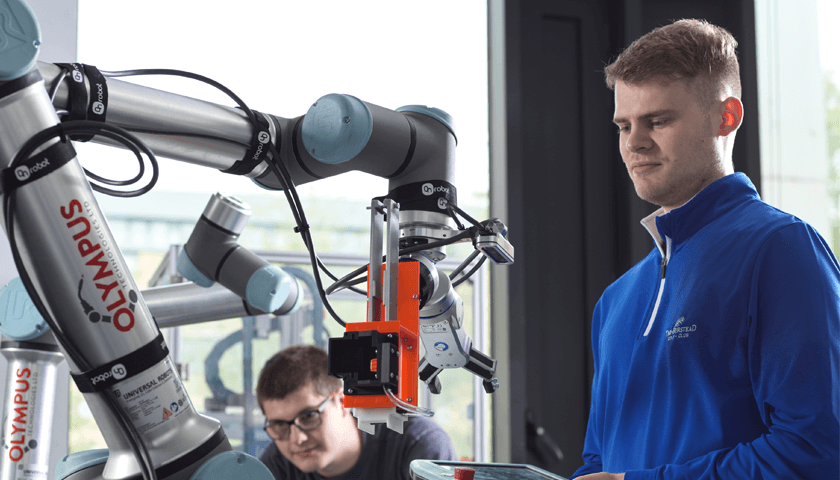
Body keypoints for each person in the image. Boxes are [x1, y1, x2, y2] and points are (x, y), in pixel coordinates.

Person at [571, 19, 840, 480]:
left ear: (726, 117)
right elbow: (601, 462)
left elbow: (817, 450)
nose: (634, 143)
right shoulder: (615, 301)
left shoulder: (781, 249)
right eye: (623, 125)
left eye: (657, 121)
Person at [256, 344, 456, 479]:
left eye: (308, 416)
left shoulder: (417, 446)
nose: (297, 439)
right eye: (279, 424)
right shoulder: (276, 464)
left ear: (343, 401)